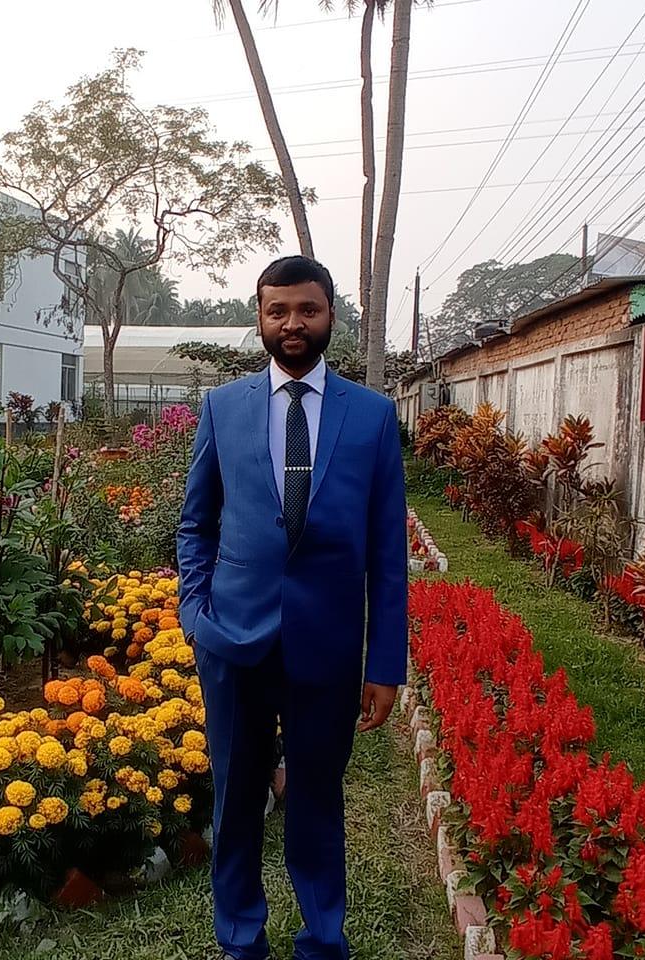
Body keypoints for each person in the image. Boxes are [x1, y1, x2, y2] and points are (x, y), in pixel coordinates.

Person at [177, 255, 408, 960]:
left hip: (327, 648)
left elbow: (387, 553)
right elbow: (196, 523)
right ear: (260, 318)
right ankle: (241, 940)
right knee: (236, 800)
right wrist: (195, 613)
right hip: (233, 641)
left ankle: (322, 941)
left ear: (332, 314)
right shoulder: (224, 407)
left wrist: (385, 663)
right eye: (277, 311)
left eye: (307, 309)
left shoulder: (372, 416)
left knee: (317, 802)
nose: (292, 324)